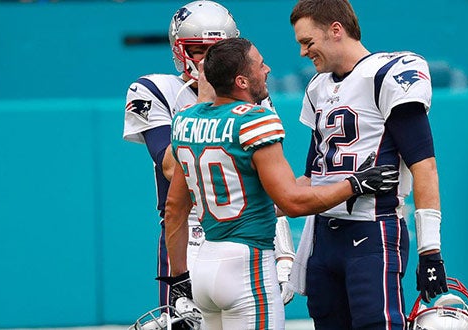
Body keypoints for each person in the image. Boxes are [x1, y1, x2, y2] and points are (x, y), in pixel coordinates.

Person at [163, 37, 399, 330]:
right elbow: (292, 202)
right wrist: (355, 184)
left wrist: (178, 278)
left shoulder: (185, 120)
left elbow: (174, 209)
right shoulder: (255, 120)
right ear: (242, 81)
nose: (268, 69)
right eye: (260, 65)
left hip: (204, 266)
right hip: (246, 266)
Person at [122, 0, 296, 316]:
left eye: (219, 50)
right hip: (186, 237)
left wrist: (285, 254)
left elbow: (268, 184)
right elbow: (171, 168)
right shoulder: (157, 90)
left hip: (247, 236)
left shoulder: (254, 97)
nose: (209, 61)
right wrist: (204, 103)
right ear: (179, 50)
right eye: (200, 50)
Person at [287, 0, 448, 328]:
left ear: (336, 30)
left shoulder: (388, 74)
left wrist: (430, 249)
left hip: (372, 230)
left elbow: (424, 166)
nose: (303, 53)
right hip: (323, 236)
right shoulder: (317, 88)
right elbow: (312, 177)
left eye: (308, 42)